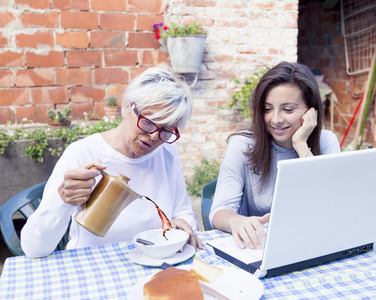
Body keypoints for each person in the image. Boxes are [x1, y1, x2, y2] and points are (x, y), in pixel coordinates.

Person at [21, 67, 202, 258]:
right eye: (148, 121)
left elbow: (184, 213)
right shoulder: (83, 152)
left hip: (151, 262)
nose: (154, 136)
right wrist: (63, 200)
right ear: (126, 108)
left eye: (166, 130)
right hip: (92, 263)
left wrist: (183, 224)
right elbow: (33, 248)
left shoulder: (167, 151)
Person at [210, 62, 341, 250]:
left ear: (311, 111)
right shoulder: (242, 145)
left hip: (312, 244)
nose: (276, 120)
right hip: (259, 247)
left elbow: (331, 207)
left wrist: (301, 146)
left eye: (288, 110)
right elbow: (218, 213)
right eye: (268, 108)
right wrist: (236, 221)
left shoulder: (326, 141)